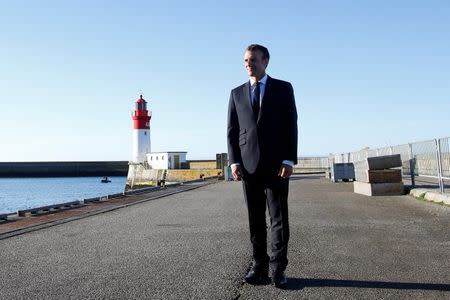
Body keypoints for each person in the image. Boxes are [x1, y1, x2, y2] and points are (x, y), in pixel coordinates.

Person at [227, 44, 298, 288]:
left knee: (278, 219)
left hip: (277, 165)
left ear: (265, 61)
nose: (248, 64)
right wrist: (234, 161)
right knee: (255, 219)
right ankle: (259, 267)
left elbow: (291, 124)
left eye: (253, 60)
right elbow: (232, 131)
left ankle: (278, 269)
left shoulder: (283, 88)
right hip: (248, 167)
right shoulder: (236, 93)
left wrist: (289, 159)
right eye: (246, 60)